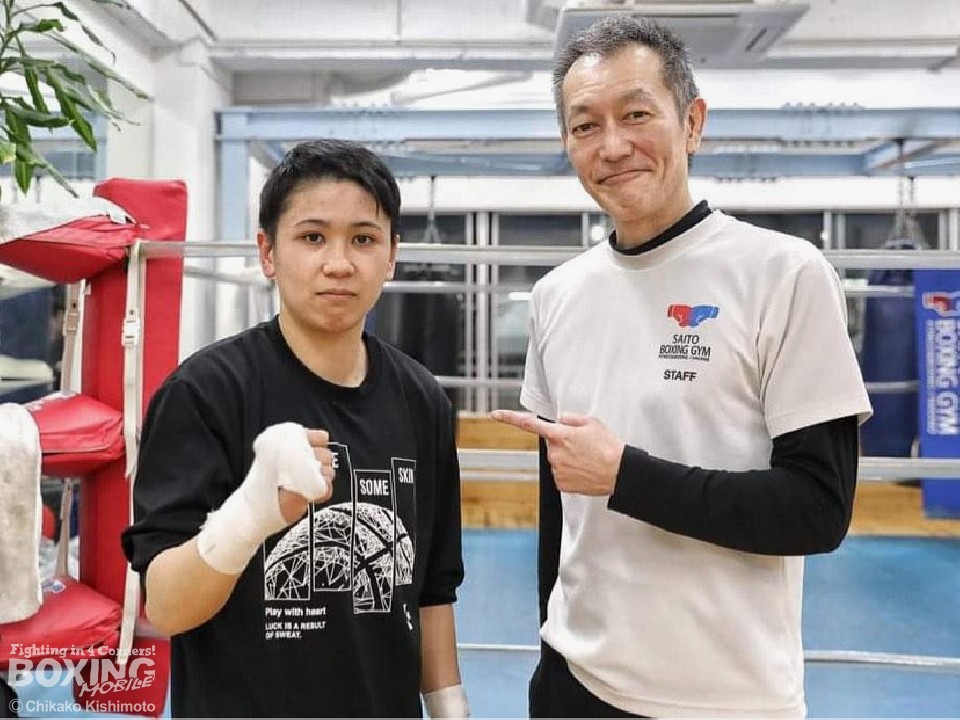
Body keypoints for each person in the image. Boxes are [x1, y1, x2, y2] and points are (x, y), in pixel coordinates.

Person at [491, 15, 872, 719]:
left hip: (729, 701)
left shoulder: (784, 275)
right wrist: (550, 657)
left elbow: (817, 510)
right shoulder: (556, 295)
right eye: (585, 125)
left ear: (692, 123)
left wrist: (627, 476)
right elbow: (562, 508)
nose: (612, 146)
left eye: (636, 114)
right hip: (577, 688)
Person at [122, 139, 469, 718]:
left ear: (391, 255)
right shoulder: (205, 393)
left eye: (364, 239)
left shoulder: (421, 400)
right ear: (268, 252)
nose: (339, 263)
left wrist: (450, 707)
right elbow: (167, 607)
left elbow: (432, 589)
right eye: (312, 237)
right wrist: (252, 512)